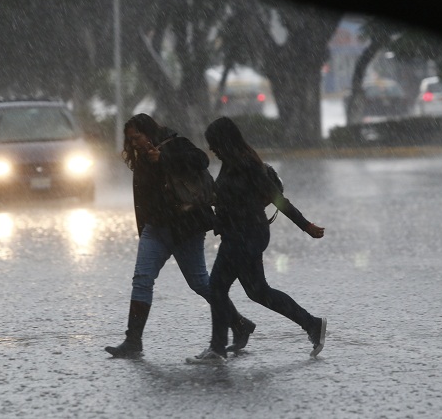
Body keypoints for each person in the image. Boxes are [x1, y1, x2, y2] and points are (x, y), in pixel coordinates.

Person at [105, 113, 256, 358]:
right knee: (142, 279)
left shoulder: (175, 144)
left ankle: (239, 324)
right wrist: (142, 228)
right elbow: (141, 199)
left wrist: (165, 158)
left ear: (150, 132)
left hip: (186, 228)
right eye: (130, 140)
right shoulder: (141, 158)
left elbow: (201, 160)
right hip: (155, 229)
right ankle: (133, 340)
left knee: (200, 283)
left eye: (138, 137)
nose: (135, 143)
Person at [187, 116, 327, 365]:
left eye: (214, 143)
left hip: (246, 235)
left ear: (224, 141)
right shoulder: (230, 163)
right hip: (240, 234)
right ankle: (312, 324)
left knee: (217, 287)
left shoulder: (247, 164)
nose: (212, 149)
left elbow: (276, 198)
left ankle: (217, 349)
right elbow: (229, 197)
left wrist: (306, 226)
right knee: (258, 292)